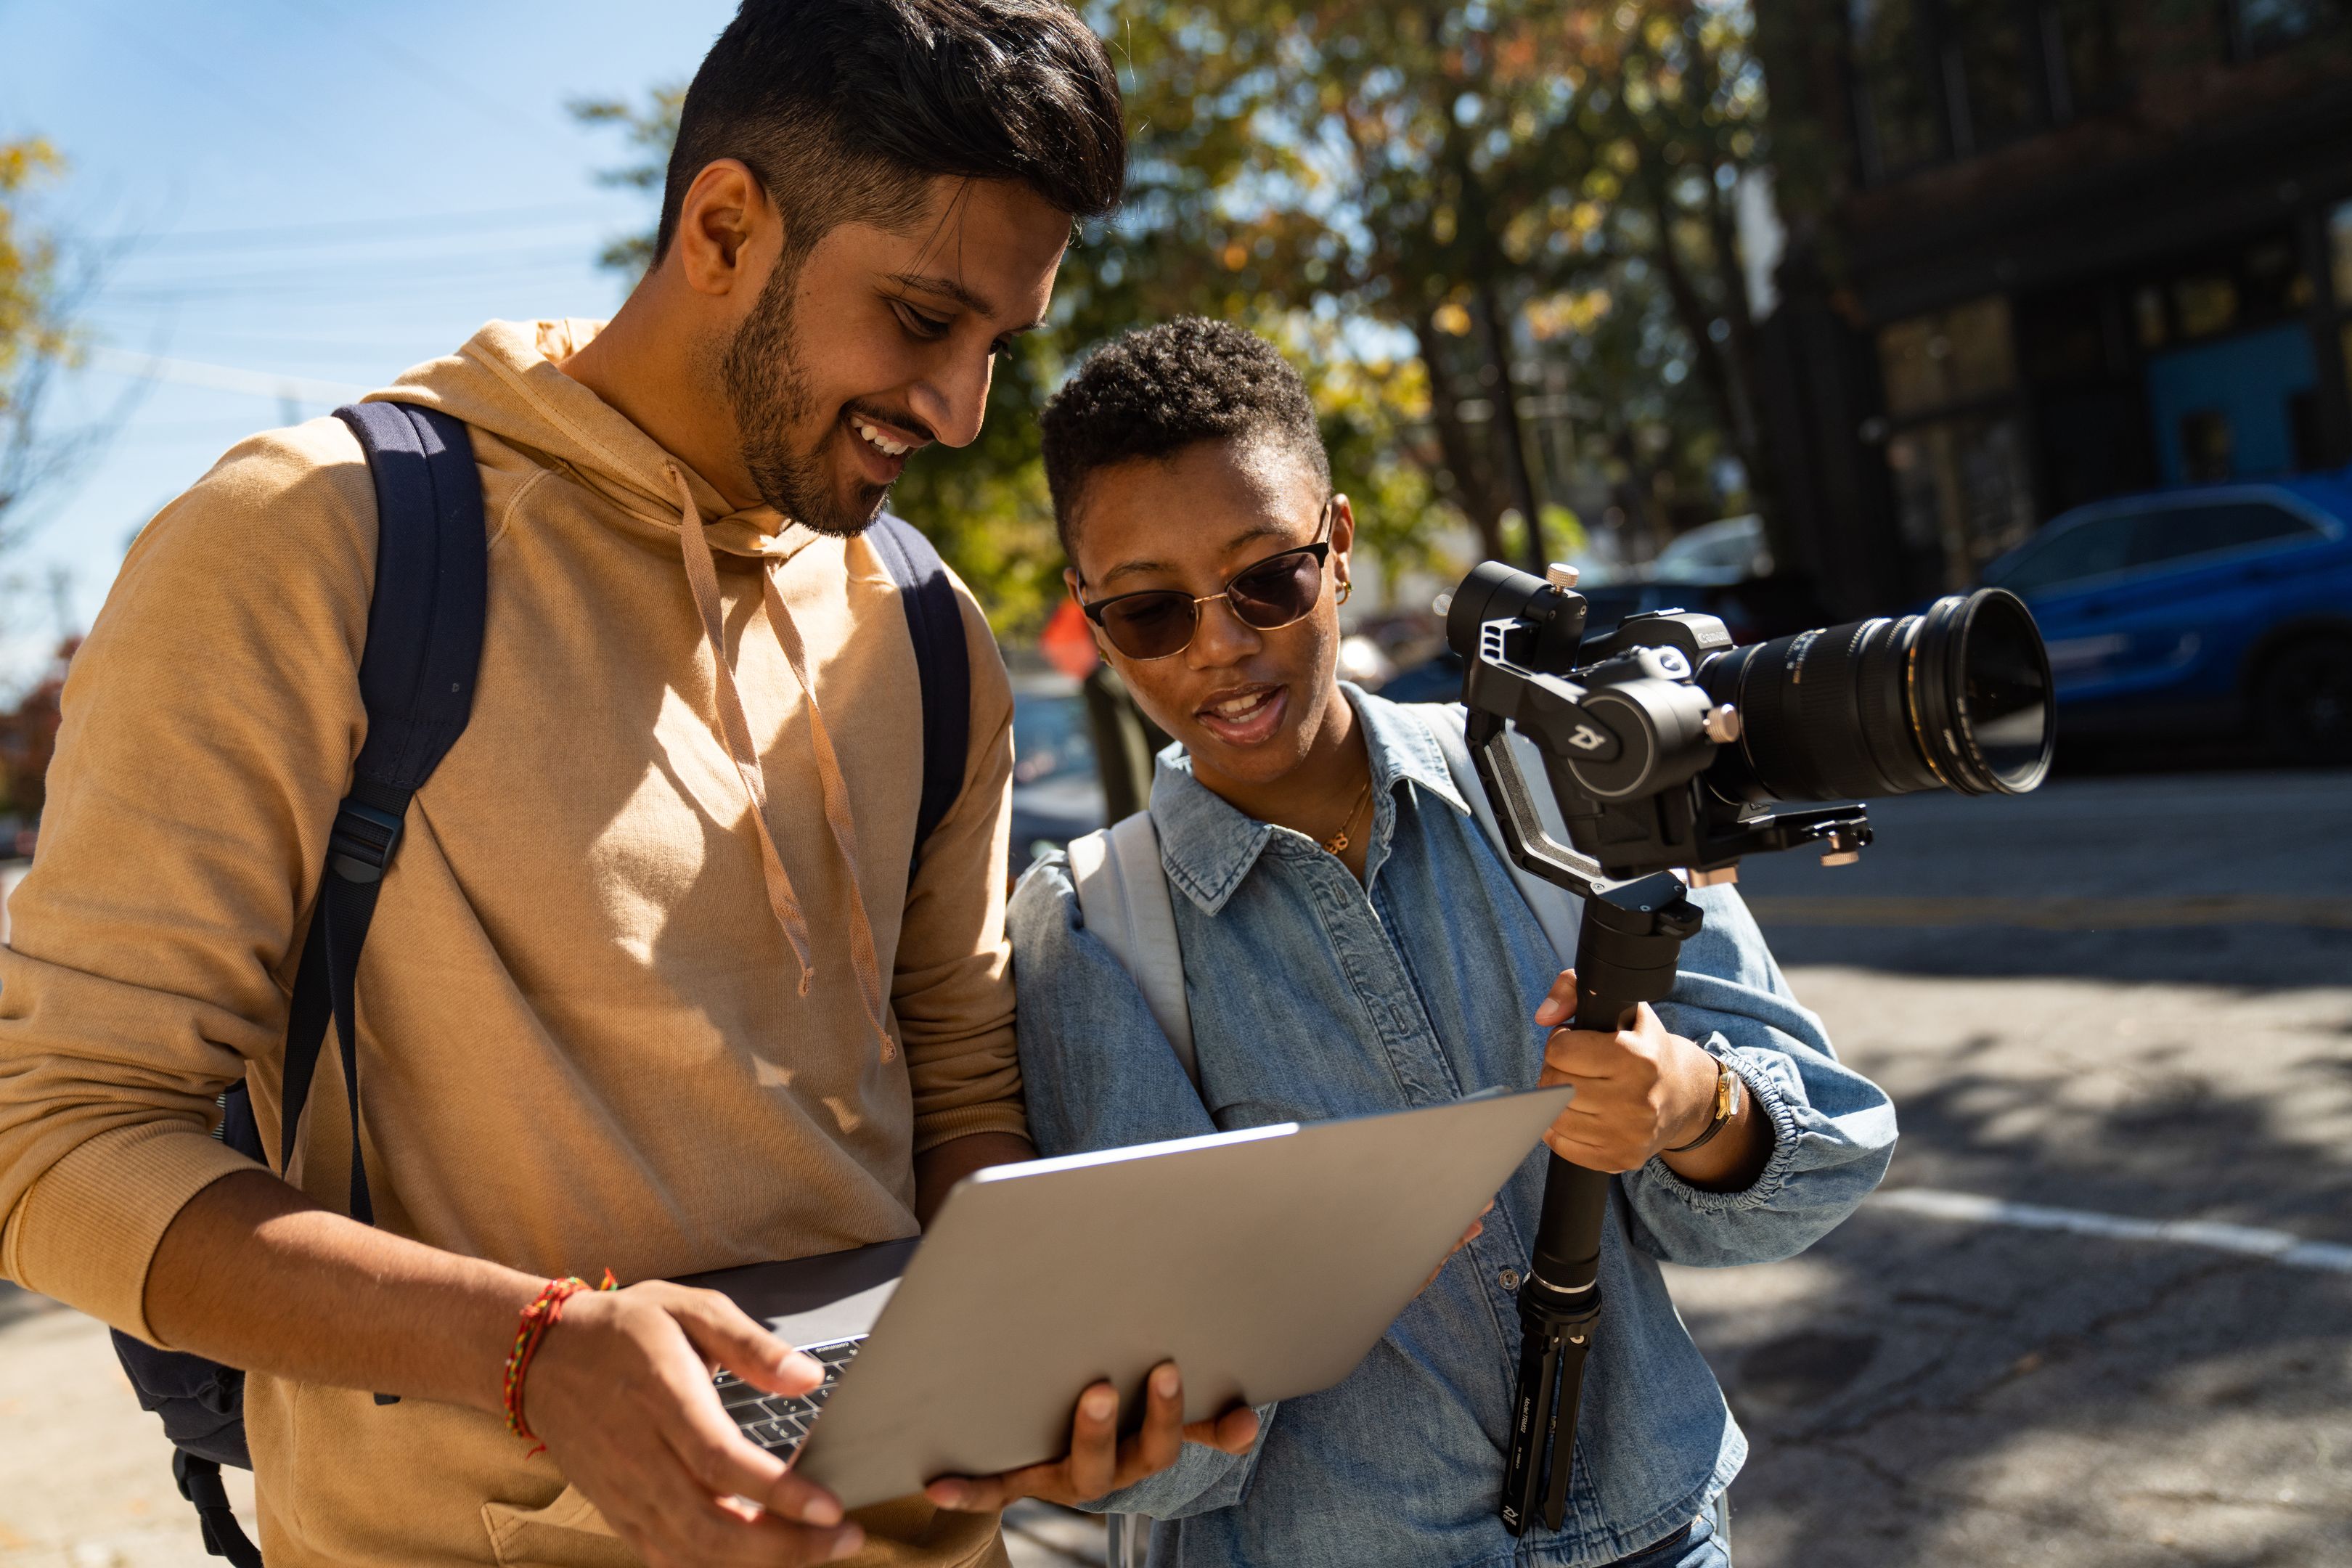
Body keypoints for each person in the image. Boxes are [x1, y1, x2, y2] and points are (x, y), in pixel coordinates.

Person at [0, 7, 1257, 1567]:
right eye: (923, 317)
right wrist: (527, 1350)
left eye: (995, 344)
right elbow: (60, 1142)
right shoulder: (310, 545)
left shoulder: (929, 629)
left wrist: (1034, 1359)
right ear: (724, 227)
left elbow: (962, 1098)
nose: (958, 410)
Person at [1007, 317, 1900, 1568]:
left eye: (1268, 578)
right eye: (1151, 611)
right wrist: (1180, 1379)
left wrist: (1691, 1107)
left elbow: (1816, 1164)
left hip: (1662, 1540)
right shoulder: (1089, 931)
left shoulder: (1571, 772)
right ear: (1093, 620)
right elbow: (1176, 1457)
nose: (1220, 645)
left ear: (1340, 546)